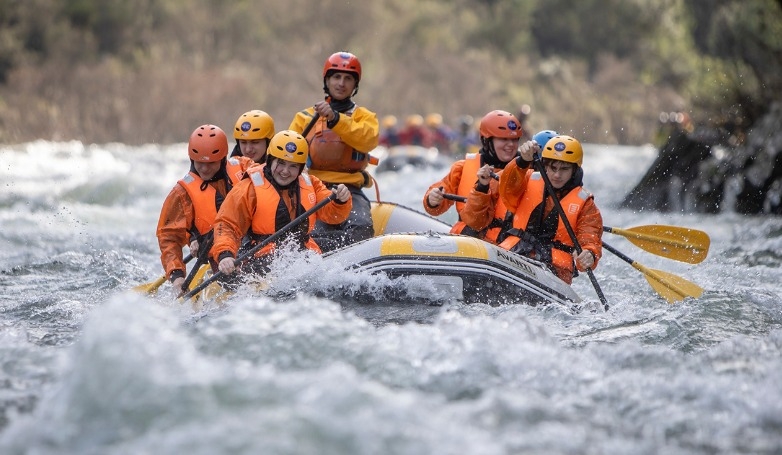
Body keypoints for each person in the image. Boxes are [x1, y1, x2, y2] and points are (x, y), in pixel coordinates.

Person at [210, 130, 352, 278]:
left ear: (300, 168)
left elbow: (332, 215)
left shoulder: (311, 183)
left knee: (341, 241)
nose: (285, 171)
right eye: (281, 163)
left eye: (293, 166)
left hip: (302, 252)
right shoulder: (248, 187)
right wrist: (225, 254)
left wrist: (340, 200)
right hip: (261, 255)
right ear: (270, 160)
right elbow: (227, 224)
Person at [288, 51, 379, 252]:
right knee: (313, 233)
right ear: (327, 80)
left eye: (348, 78)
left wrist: (335, 119)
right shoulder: (304, 117)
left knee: (360, 226)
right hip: (314, 189)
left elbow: (368, 140)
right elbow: (288, 154)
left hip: (351, 190)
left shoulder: (364, 117)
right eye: (336, 77)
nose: (341, 83)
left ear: (355, 85)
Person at [156, 124, 256, 294]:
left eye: (210, 163)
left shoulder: (244, 168)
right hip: (220, 261)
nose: (204, 168)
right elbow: (169, 236)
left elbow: (269, 184)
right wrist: (177, 276)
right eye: (199, 163)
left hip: (253, 246)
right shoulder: (182, 193)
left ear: (223, 158)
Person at [495, 134, 603, 284]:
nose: (557, 174)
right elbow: (506, 188)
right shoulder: (526, 179)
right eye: (553, 167)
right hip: (514, 255)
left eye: (564, 169)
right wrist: (521, 161)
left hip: (554, 272)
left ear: (575, 170)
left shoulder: (586, 204)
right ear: (545, 165)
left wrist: (589, 253)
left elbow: (590, 236)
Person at [422, 110, 522, 243]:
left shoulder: (527, 171)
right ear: (487, 141)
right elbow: (435, 205)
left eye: (514, 140)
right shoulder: (462, 168)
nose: (510, 145)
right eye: (503, 139)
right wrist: (432, 200)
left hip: (508, 247)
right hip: (469, 241)